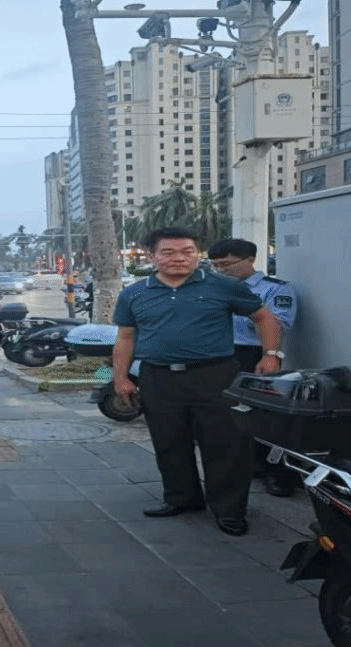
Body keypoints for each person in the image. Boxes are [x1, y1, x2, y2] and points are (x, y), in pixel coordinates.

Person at [112, 227, 284, 537]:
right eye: (168, 252)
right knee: (169, 442)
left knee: (226, 444)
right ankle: (182, 498)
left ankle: (229, 510)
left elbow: (264, 317)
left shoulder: (222, 286)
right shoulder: (134, 293)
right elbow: (126, 337)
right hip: (158, 377)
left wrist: (271, 354)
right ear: (151, 256)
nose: (179, 258)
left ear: (197, 254)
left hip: (214, 375)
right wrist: (120, 378)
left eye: (187, 252)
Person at [208, 238, 299, 497]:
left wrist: (244, 310)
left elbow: (278, 324)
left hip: (256, 354)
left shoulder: (275, 289)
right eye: (216, 265)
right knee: (229, 415)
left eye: (227, 264)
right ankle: (250, 465)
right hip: (221, 354)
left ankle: (278, 473)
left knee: (263, 414)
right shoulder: (212, 288)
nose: (221, 270)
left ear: (250, 260)